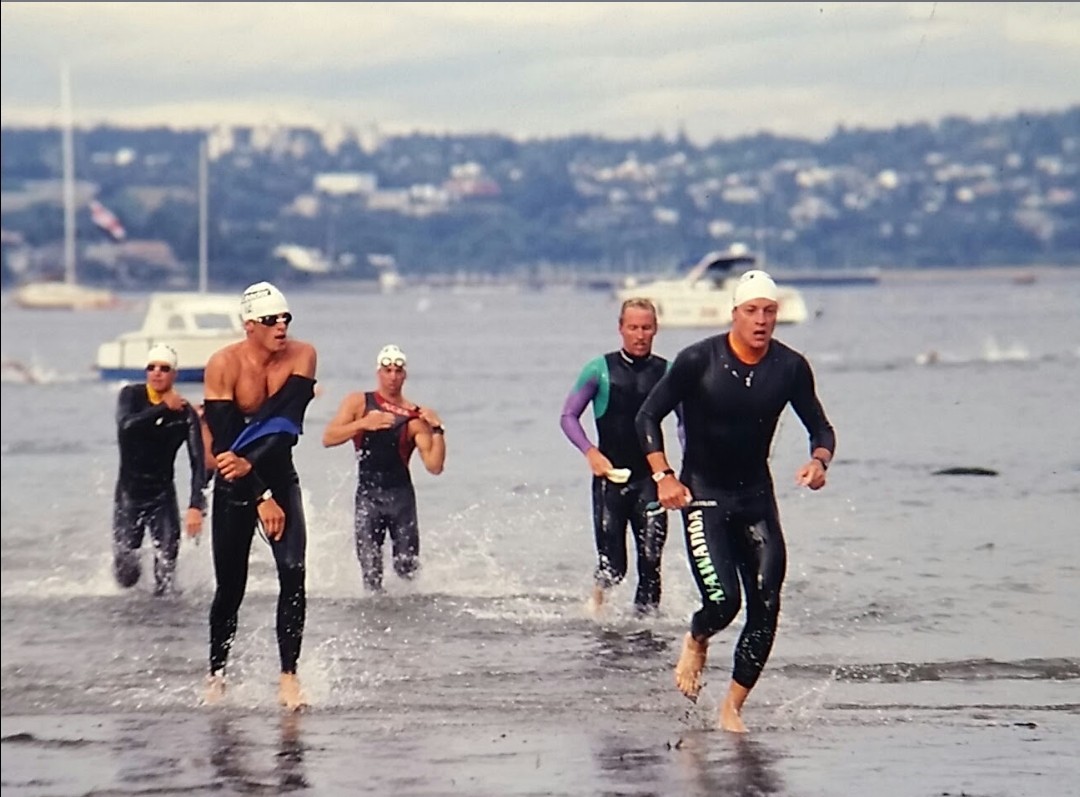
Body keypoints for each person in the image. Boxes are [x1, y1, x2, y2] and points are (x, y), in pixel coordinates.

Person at [635, 269, 836, 733]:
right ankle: (698, 635)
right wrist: (663, 475)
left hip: (756, 497)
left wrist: (819, 461)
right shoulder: (697, 360)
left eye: (769, 311)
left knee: (766, 601)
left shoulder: (789, 367)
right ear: (735, 314)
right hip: (704, 495)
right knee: (724, 603)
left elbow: (821, 428)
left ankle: (732, 708)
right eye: (751, 311)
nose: (761, 320)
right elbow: (648, 415)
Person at [201, 281, 318, 711]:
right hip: (238, 483)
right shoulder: (223, 365)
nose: (281, 327)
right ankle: (216, 674)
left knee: (294, 570)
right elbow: (224, 447)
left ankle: (288, 676)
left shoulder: (303, 355)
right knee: (230, 587)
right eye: (271, 320)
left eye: (286, 318)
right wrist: (260, 494)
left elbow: (288, 424)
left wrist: (268, 483)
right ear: (249, 325)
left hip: (277, 471)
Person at [560, 298, 672, 614]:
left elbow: (685, 424)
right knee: (614, 568)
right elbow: (568, 416)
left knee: (651, 560)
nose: (640, 335)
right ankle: (595, 610)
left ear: (656, 330)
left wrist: (685, 470)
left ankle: (646, 630)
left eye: (646, 328)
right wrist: (590, 452)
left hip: (651, 481)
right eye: (633, 327)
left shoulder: (668, 372)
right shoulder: (599, 369)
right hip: (610, 479)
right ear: (621, 329)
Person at [322, 344, 446, 592]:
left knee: (407, 571)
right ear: (378, 372)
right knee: (370, 572)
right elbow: (329, 438)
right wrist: (364, 424)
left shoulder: (414, 418)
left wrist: (438, 429)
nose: (392, 376)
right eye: (387, 370)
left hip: (401, 500)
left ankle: (409, 625)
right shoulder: (359, 403)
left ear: (404, 375)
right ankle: (374, 626)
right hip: (368, 498)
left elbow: (434, 466)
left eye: (397, 371)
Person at [112, 343, 208, 596]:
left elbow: (198, 462)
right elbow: (126, 426)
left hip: (162, 497)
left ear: (174, 374)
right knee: (126, 576)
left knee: (166, 571)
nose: (157, 373)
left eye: (164, 368)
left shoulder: (185, 414)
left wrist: (196, 506)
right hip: (129, 496)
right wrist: (164, 407)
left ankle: (164, 629)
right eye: (151, 367)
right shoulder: (130, 396)